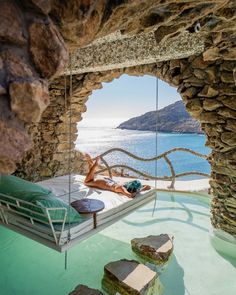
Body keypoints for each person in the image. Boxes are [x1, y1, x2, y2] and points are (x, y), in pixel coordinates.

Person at [84, 155, 151, 198]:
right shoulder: (125, 186)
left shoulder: (121, 188)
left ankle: (94, 164)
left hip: (100, 183)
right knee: (90, 179)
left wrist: (140, 190)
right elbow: (148, 186)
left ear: (131, 188)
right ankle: (92, 165)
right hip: (105, 181)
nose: (130, 182)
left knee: (86, 182)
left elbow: (130, 195)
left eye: (131, 183)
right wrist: (142, 188)